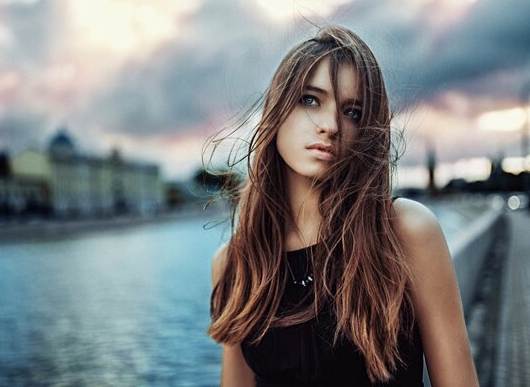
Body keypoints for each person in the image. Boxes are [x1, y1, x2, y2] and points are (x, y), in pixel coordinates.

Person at [205, 25, 479, 386]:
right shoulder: (235, 263)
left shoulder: (405, 231)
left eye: (352, 112)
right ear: (277, 111)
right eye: (310, 100)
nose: (331, 126)